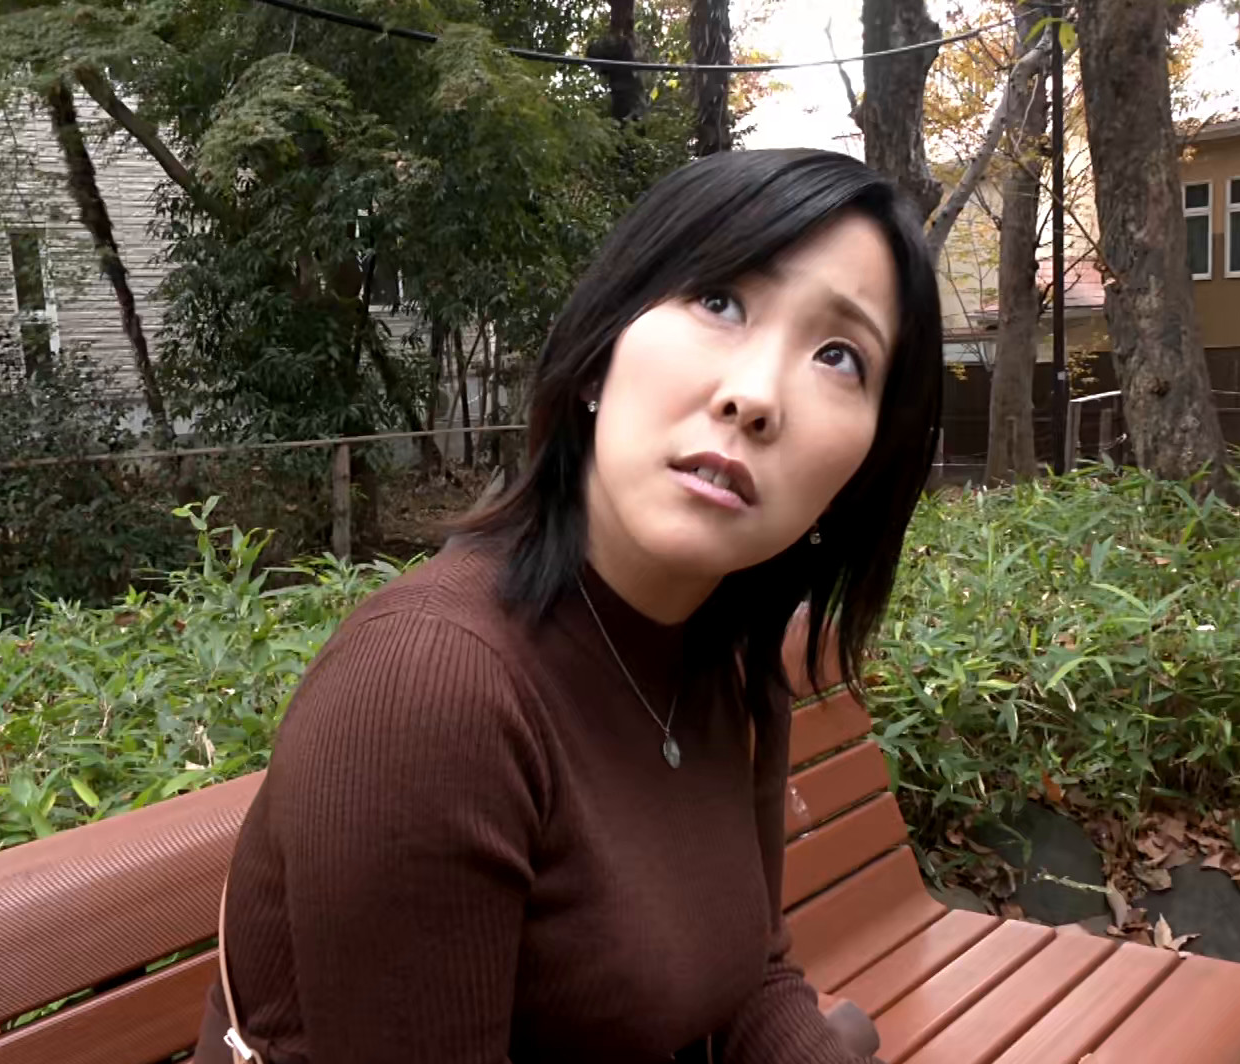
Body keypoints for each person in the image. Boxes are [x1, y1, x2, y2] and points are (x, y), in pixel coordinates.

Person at [195, 147, 944, 1064]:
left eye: (839, 357)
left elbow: (749, 974)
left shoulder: (726, 661)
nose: (754, 396)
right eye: (719, 300)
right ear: (598, 358)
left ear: (861, 470)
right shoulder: (431, 690)